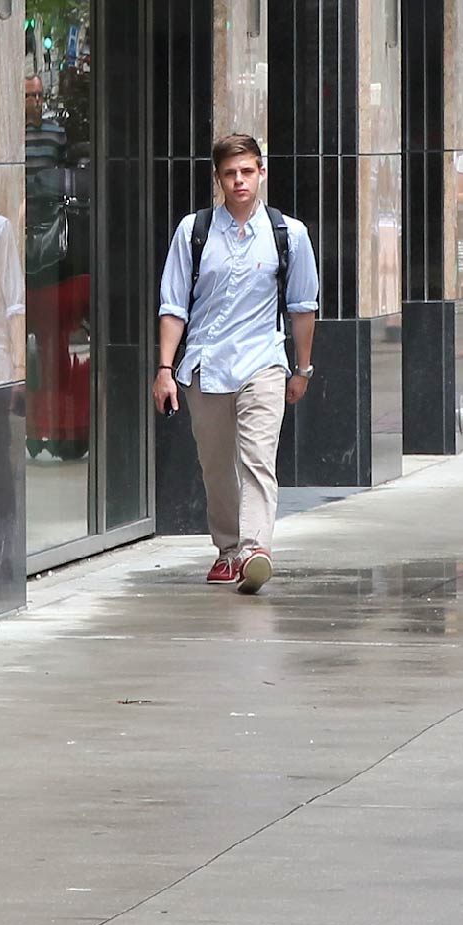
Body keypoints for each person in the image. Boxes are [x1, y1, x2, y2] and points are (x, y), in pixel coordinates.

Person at [152, 133, 321, 593]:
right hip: (205, 366)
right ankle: (228, 550)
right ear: (218, 179)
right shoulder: (194, 231)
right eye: (230, 173)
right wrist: (165, 370)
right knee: (215, 465)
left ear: (262, 172)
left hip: (263, 362)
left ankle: (255, 549)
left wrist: (301, 369)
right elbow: (173, 305)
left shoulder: (290, 233)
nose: (240, 180)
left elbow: (303, 306)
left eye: (248, 171)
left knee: (258, 459)